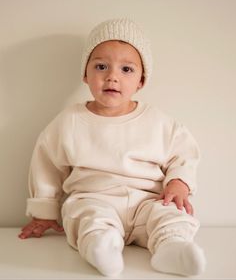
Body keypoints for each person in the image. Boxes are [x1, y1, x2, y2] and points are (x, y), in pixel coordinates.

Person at [19, 18, 206, 277]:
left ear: (141, 80)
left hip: (147, 201)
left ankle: (172, 247)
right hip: (94, 198)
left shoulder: (159, 122)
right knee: (88, 218)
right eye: (101, 66)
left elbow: (183, 154)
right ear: (85, 74)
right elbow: (46, 164)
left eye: (126, 69)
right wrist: (44, 210)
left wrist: (179, 183)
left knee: (171, 215)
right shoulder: (69, 121)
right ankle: (101, 247)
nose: (112, 77)